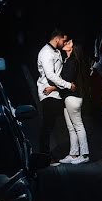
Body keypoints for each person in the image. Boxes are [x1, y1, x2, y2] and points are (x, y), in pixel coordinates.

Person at [36, 28, 75, 158]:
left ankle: (70, 152)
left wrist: (57, 88)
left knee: (54, 125)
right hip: (48, 94)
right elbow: (51, 75)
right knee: (47, 126)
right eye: (63, 41)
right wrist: (68, 85)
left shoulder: (56, 51)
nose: (64, 43)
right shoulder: (46, 53)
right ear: (57, 38)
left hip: (55, 92)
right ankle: (44, 155)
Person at [56, 39, 90, 164]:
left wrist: (55, 84)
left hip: (73, 97)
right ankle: (73, 154)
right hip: (69, 97)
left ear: (73, 47)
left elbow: (66, 79)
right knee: (71, 128)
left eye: (69, 43)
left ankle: (85, 154)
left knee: (78, 126)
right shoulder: (70, 60)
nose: (65, 44)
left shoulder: (72, 61)